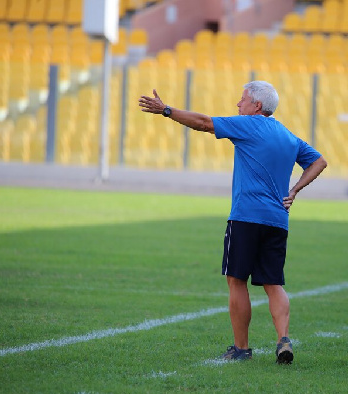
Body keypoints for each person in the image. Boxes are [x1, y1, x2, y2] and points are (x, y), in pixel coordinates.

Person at [138, 81, 327, 364]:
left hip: (246, 216)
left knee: (236, 280)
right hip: (277, 220)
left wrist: (166, 110)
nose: (238, 105)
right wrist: (294, 190)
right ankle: (283, 339)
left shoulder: (248, 125)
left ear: (257, 106)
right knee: (273, 283)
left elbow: (204, 123)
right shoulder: (288, 136)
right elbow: (319, 161)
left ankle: (241, 349)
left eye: (242, 100)